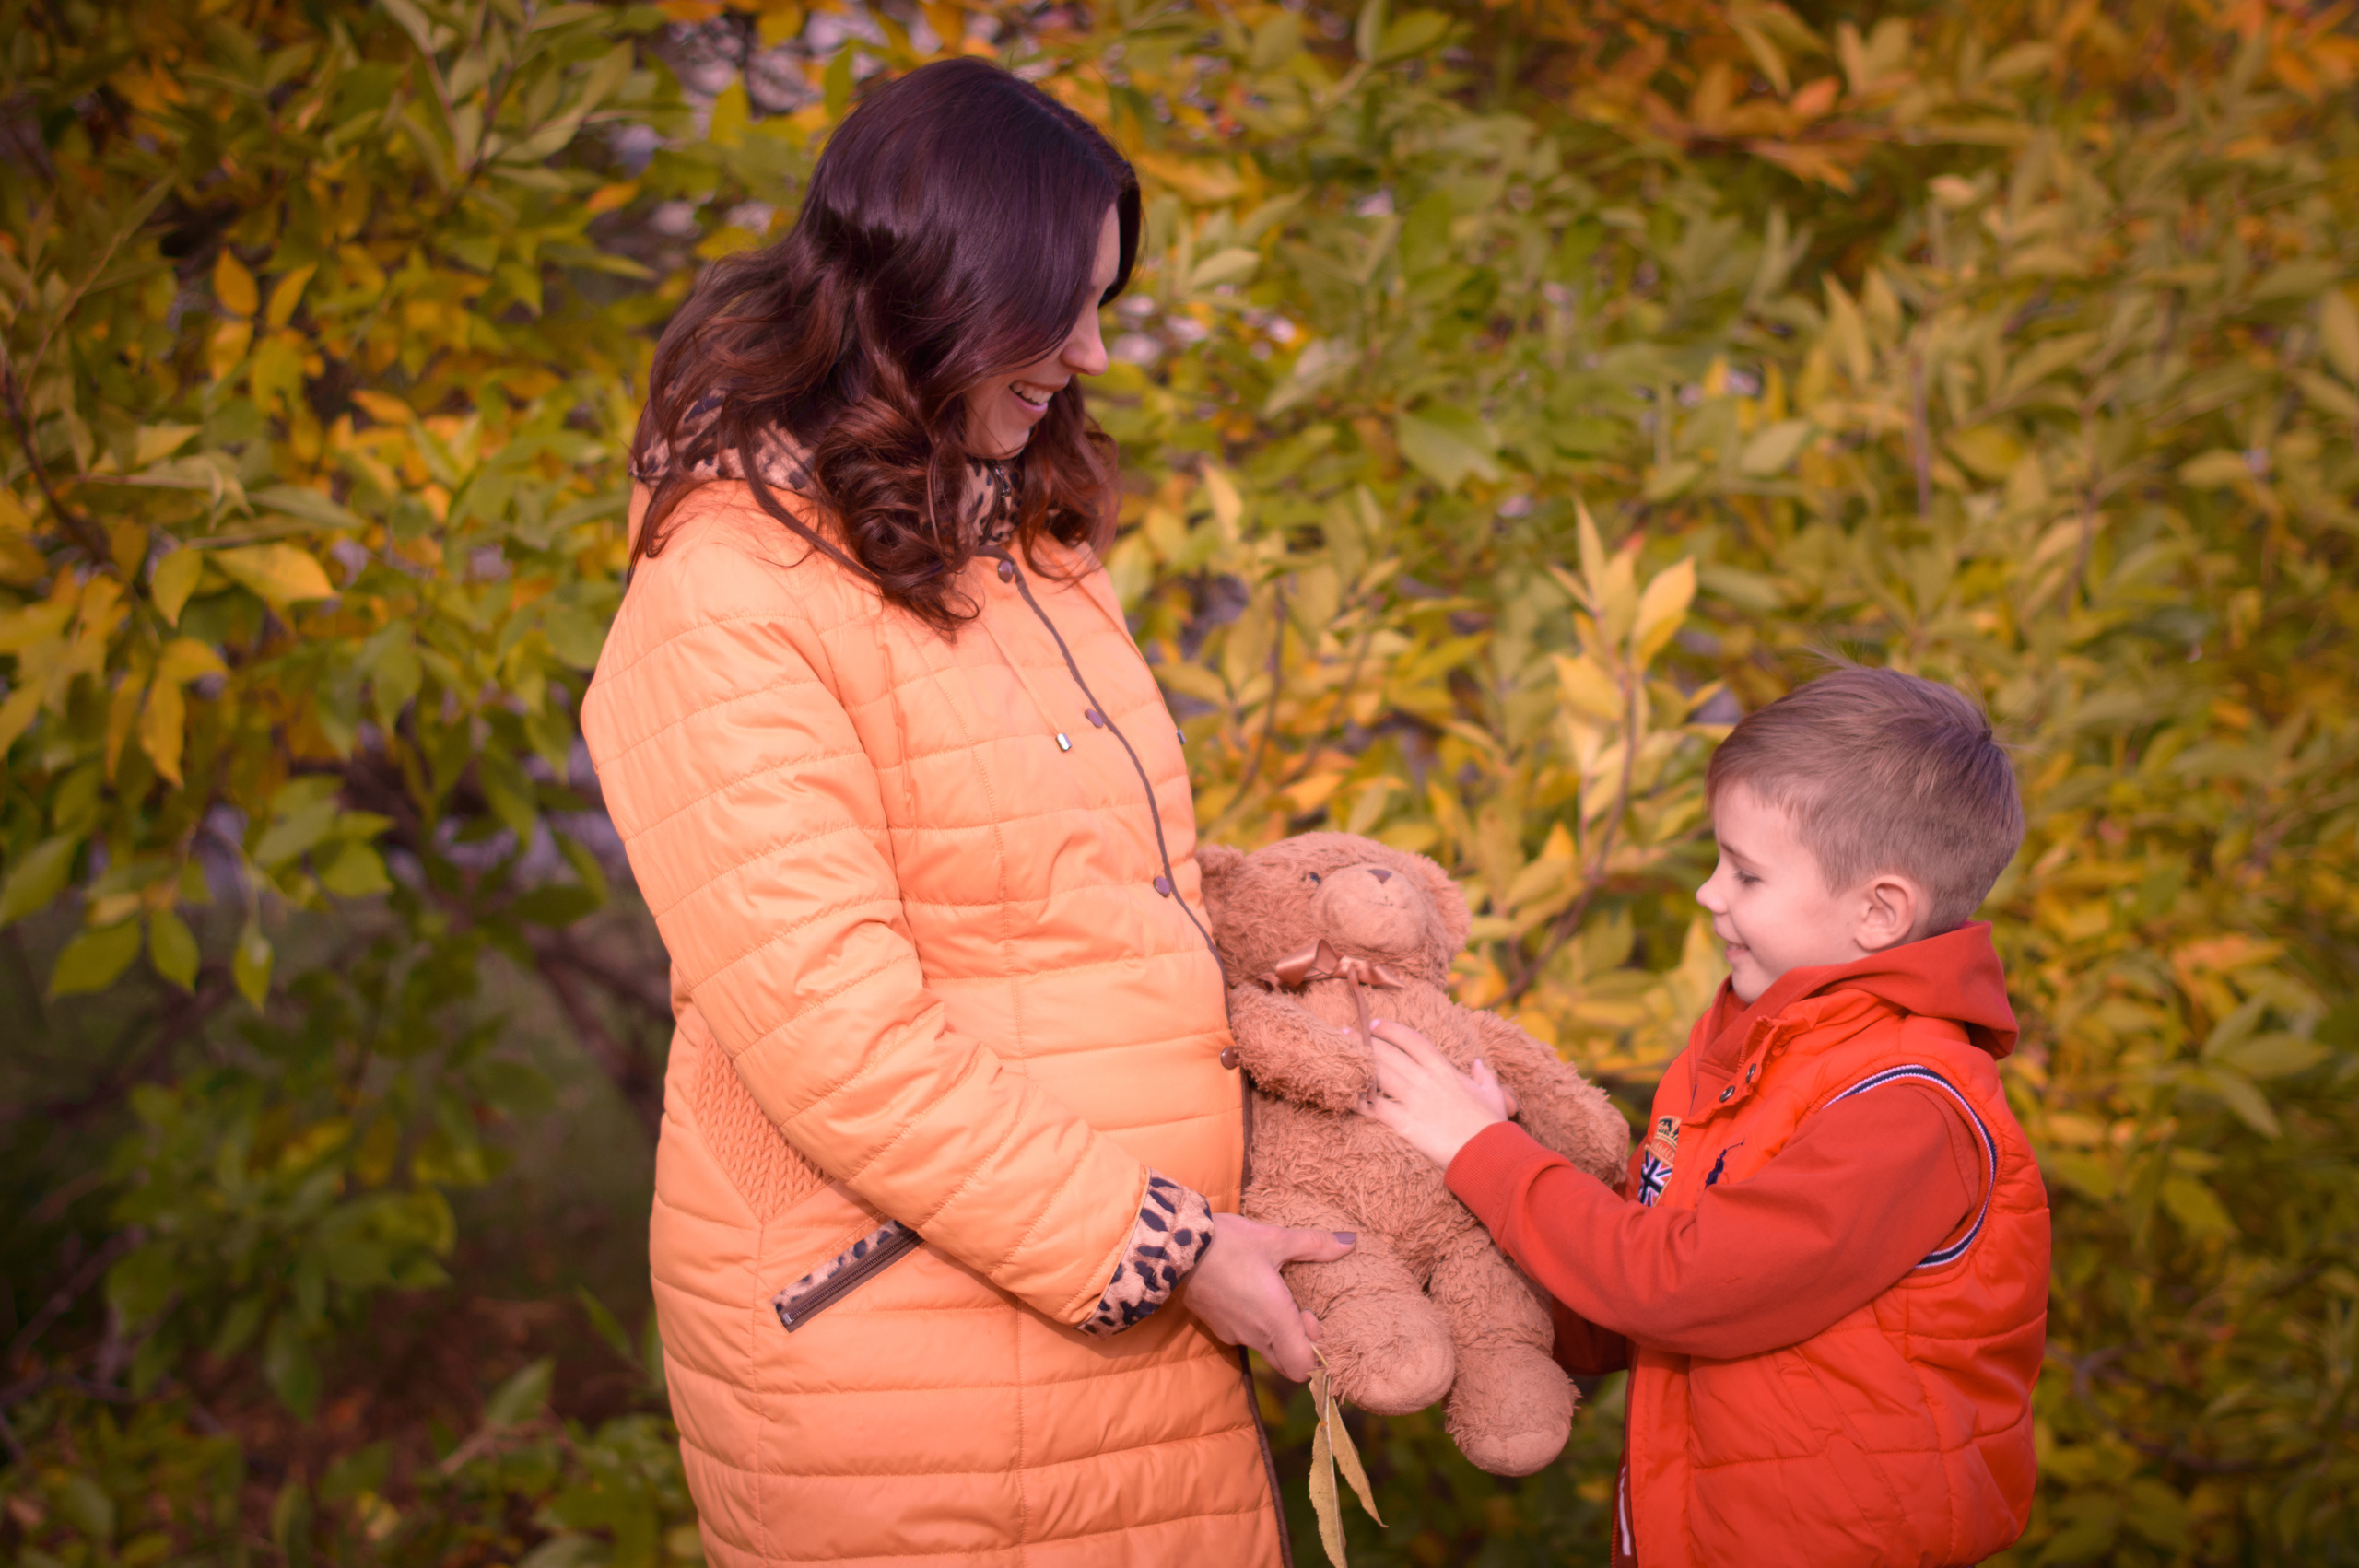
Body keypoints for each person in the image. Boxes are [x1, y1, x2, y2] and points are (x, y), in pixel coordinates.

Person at [581, 58, 1349, 1567]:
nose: (1096, 352)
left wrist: (1294, 950)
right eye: (1060, 309)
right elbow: (837, 1037)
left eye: (1106, 302)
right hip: (912, 1344)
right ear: (924, 293)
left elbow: (1045, 882)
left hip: (1105, 1323)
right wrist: (1173, 1251)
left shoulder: (1013, 536)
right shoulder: (729, 593)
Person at [1361, 664, 2049, 1568]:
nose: (1708, 893)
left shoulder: (1910, 1111)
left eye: (1748, 873)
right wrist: (1457, 1236)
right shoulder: (1750, 1045)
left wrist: (1483, 1153)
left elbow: (1677, 1289)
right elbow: (1627, 1298)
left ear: (1879, 911)